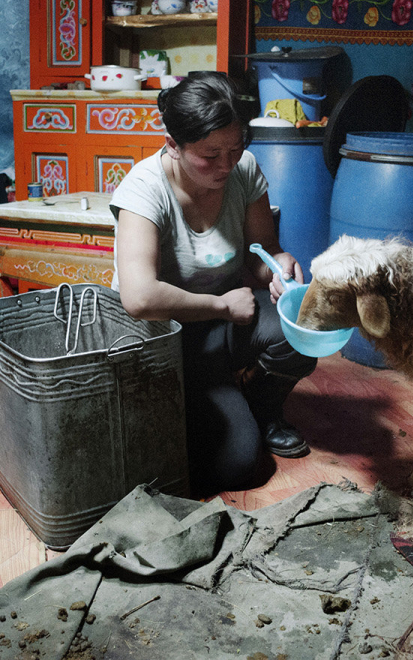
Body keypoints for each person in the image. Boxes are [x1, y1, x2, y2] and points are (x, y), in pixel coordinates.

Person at [109, 71, 317, 495]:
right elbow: (140, 297)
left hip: (225, 321)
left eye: (235, 148)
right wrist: (221, 306)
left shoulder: (244, 169)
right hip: (163, 339)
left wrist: (279, 269)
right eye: (209, 155)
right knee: (236, 464)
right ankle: (192, 399)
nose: (226, 165)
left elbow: (261, 251)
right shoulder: (144, 191)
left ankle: (263, 409)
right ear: (173, 144)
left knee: (307, 326)